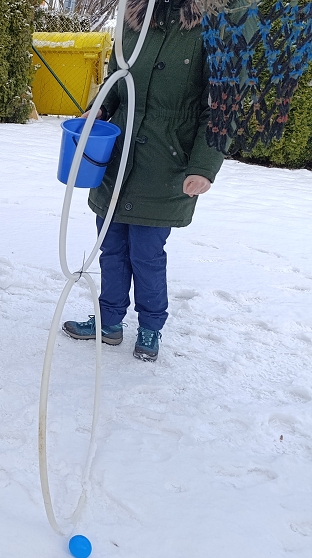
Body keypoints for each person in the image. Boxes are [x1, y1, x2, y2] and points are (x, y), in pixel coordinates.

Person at [62, 0, 224, 361]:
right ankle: (109, 323)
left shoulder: (212, 27)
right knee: (112, 247)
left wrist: (203, 166)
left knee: (147, 254)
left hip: (165, 164)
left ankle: (151, 328)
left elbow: (219, 106)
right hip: (117, 158)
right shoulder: (133, 20)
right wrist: (101, 107)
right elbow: (117, 82)